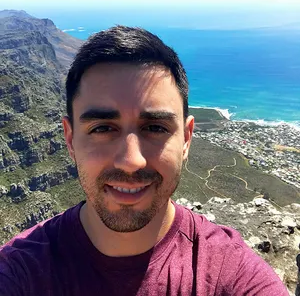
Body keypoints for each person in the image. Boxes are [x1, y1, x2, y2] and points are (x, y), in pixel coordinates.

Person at [0, 26, 289, 295]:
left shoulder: (231, 273)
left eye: (155, 128)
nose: (131, 161)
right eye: (102, 128)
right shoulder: (19, 271)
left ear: (186, 138)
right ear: (70, 138)